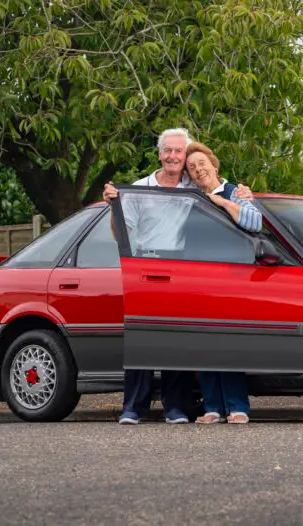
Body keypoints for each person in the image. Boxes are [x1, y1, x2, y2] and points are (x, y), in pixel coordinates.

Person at [102, 129, 252, 425]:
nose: (173, 156)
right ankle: (133, 408)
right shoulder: (139, 188)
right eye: (167, 150)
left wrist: (241, 194)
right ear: (159, 154)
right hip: (145, 268)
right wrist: (114, 207)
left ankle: (175, 408)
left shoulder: (192, 186)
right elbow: (121, 233)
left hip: (182, 271)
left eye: (178, 152)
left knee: (177, 339)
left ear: (185, 157)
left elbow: (218, 185)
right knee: (143, 339)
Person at [184, 141, 261, 424]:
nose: (198, 170)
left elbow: (255, 222)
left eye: (202, 164)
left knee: (227, 343)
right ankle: (213, 409)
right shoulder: (190, 197)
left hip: (230, 279)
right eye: (192, 168)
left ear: (214, 165)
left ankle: (238, 407)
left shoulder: (235, 193)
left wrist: (223, 203)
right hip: (198, 280)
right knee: (204, 345)